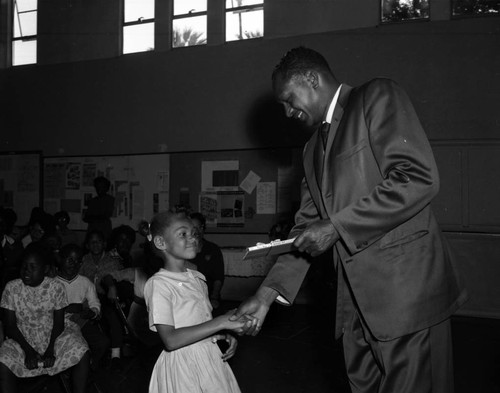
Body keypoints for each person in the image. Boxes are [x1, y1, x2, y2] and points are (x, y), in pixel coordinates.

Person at [233, 47, 468, 393]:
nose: (286, 112)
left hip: (407, 299)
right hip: (355, 312)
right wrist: (266, 295)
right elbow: (304, 232)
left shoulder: (375, 97)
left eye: (287, 99)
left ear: (311, 79)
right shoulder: (312, 149)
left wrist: (337, 226)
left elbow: (416, 177)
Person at [144, 211, 246, 393]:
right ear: (161, 242)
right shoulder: (159, 284)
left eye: (193, 233)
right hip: (183, 367)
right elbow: (171, 340)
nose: (192, 238)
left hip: (210, 359)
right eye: (183, 234)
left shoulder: (198, 278)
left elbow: (199, 323)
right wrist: (221, 321)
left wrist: (221, 334)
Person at [0, 244, 90, 393]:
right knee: (2, 360)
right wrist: (28, 351)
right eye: (24, 266)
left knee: (82, 351)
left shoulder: (56, 287)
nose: (26, 271)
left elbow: (59, 323)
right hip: (21, 337)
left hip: (53, 334)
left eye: (32, 267)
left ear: (45, 269)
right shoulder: (12, 288)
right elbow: (10, 326)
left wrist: (50, 350)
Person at [56, 244, 110, 370]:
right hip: (58, 323)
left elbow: (95, 304)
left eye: (77, 261)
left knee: (102, 342)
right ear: (61, 260)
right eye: (69, 260)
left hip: (80, 321)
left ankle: (89, 366)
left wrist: (92, 312)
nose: (73, 264)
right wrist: (67, 308)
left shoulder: (85, 282)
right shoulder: (52, 282)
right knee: (71, 343)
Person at [79, 230, 125, 372]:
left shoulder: (113, 261)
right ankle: (86, 355)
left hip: (106, 297)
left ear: (104, 244)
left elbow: (121, 281)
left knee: (113, 315)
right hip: (86, 298)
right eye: (92, 242)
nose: (96, 245)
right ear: (87, 245)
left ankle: (115, 355)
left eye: (99, 241)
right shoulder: (83, 260)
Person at [189, 212, 225, 311]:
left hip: (208, 297)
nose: (194, 231)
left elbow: (218, 277)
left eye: (197, 227)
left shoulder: (213, 249)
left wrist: (213, 298)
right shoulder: (183, 250)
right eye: (191, 228)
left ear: (202, 228)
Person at [83, 176, 115, 241]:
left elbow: (105, 216)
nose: (99, 189)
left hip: (104, 232)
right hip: (92, 231)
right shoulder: (93, 201)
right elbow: (86, 218)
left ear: (107, 188)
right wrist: (96, 218)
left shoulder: (110, 199)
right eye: (97, 187)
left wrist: (93, 218)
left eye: (102, 187)